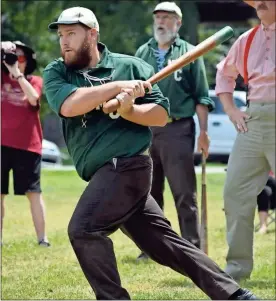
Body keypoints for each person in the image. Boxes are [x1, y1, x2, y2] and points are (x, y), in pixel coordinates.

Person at [44, 6, 258, 300]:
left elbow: (159, 116)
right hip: (109, 174)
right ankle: (234, 295)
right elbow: (68, 105)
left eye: (71, 33)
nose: (64, 41)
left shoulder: (131, 66)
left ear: (92, 35)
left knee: (84, 229)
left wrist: (129, 108)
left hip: (127, 166)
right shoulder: (58, 71)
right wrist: (116, 88)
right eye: (61, 35)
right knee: (165, 245)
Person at [134, 2, 214, 259]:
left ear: (178, 23)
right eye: (158, 17)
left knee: (183, 192)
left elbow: (201, 96)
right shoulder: (142, 53)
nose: (161, 22)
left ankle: (191, 247)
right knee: (148, 192)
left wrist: (203, 133)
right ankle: (152, 248)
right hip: (146, 130)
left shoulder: (189, 53)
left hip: (178, 128)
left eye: (167, 18)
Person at [215, 0, 275, 281]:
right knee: (235, 192)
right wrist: (230, 109)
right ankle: (237, 269)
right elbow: (224, 76)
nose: (259, 3)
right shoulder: (246, 39)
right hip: (252, 120)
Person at [1, 41, 50, 247]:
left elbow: (33, 98)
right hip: (2, 144)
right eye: (13, 56)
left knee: (33, 193)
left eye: (20, 57)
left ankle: (42, 239)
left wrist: (17, 74)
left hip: (28, 146)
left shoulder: (35, 81)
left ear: (27, 61)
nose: (16, 60)